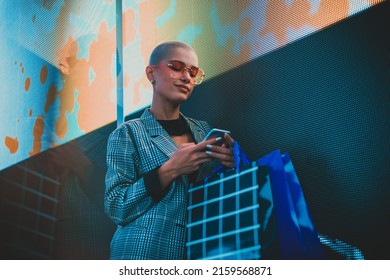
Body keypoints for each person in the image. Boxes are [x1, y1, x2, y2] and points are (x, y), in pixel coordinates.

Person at [104, 41, 235, 260]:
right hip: (141, 255)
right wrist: (170, 169)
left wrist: (230, 166)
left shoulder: (204, 131)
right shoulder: (128, 132)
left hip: (199, 253)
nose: (186, 78)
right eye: (176, 66)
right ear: (151, 73)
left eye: (193, 72)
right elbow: (116, 206)